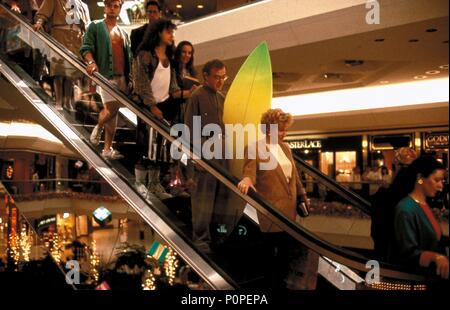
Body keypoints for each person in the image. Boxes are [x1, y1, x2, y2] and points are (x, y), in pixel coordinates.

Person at [237, 108, 318, 289]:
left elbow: (294, 176)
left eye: (285, 129)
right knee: (269, 259)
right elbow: (249, 172)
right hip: (270, 212)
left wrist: (303, 196)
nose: (284, 133)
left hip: (289, 212)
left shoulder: (286, 148)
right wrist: (247, 179)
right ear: (268, 128)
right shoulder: (255, 147)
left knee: (285, 256)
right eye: (280, 129)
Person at [134, 19, 183, 199]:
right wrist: (151, 105)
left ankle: (154, 184)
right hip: (147, 108)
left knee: (158, 148)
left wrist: (186, 93)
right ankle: (139, 183)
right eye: (169, 31)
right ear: (158, 33)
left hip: (163, 107)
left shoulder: (169, 58)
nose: (172, 35)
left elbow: (173, 87)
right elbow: (141, 83)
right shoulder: (145, 55)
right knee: (144, 146)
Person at [184, 59, 228, 252]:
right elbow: (188, 130)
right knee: (203, 199)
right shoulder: (197, 96)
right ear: (206, 76)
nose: (220, 81)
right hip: (203, 155)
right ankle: (200, 239)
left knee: (219, 198)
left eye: (223, 77)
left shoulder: (221, 97)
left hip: (220, 154)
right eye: (217, 77)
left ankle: (215, 236)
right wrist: (195, 158)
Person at [80, 0, 132, 160]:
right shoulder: (95, 26)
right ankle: (99, 126)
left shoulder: (124, 33)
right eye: (109, 5)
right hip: (105, 76)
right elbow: (86, 47)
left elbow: (128, 57)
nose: (112, 9)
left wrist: (130, 78)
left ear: (119, 8)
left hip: (122, 77)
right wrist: (90, 61)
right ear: (105, 6)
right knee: (112, 108)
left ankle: (107, 149)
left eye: (116, 6)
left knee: (114, 113)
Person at [389, 156, 448, 280]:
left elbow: (436, 239)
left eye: (442, 181)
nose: (440, 186)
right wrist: (435, 257)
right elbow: (408, 253)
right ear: (420, 178)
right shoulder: (406, 209)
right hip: (421, 278)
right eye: (437, 180)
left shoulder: (423, 205)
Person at [33, 0, 90, 110]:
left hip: (76, 39)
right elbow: (43, 13)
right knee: (58, 71)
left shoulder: (83, 5)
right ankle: (58, 101)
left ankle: (67, 101)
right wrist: (39, 22)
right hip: (60, 35)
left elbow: (88, 25)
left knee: (70, 74)